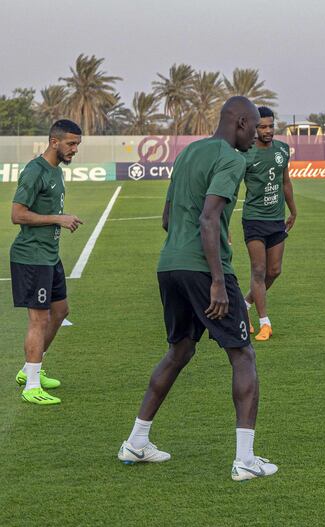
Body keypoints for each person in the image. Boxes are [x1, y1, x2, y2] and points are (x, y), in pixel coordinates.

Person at [118, 97, 279, 481]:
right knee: (242, 354)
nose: (257, 134)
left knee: (180, 350)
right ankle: (245, 460)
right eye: (255, 127)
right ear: (240, 122)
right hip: (205, 270)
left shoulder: (190, 153)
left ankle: (137, 441)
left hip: (169, 265)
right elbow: (209, 218)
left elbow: (167, 217)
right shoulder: (232, 158)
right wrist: (219, 282)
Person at [10, 119, 83, 405]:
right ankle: (31, 385)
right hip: (31, 257)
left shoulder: (56, 171)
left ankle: (31, 368)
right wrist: (59, 219)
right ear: (55, 142)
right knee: (39, 318)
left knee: (61, 311)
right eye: (71, 144)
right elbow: (17, 214)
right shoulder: (34, 171)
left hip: (49, 256)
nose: (75, 150)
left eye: (77, 144)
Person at [241, 106, 297, 341]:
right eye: (262, 127)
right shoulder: (245, 153)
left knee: (274, 271)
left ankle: (244, 305)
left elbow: (285, 182)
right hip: (254, 219)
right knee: (259, 270)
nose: (268, 131)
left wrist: (293, 211)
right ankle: (265, 322)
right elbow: (231, 188)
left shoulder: (283, 150)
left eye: (271, 126)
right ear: (254, 128)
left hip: (276, 219)